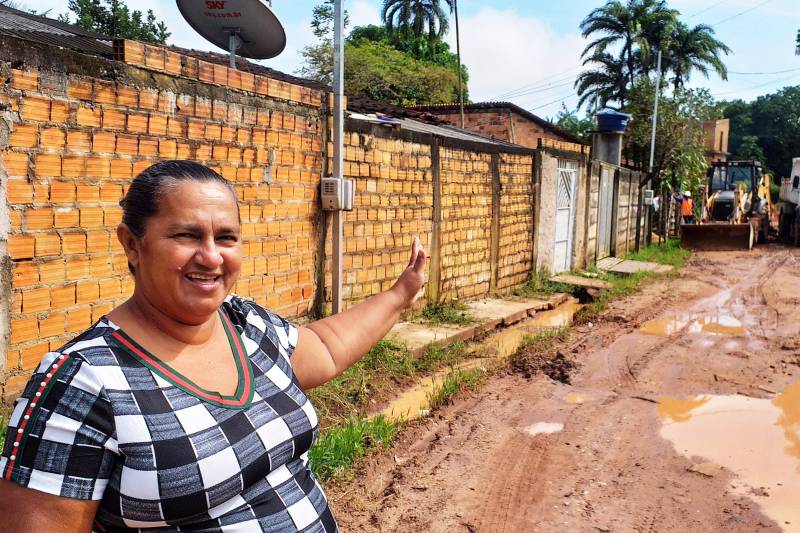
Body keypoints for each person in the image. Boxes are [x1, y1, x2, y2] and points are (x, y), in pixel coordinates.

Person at [0, 160, 426, 532]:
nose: (211, 257)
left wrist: (399, 294)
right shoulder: (81, 382)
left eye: (226, 238)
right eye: (187, 235)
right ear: (132, 244)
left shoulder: (243, 323)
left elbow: (326, 348)